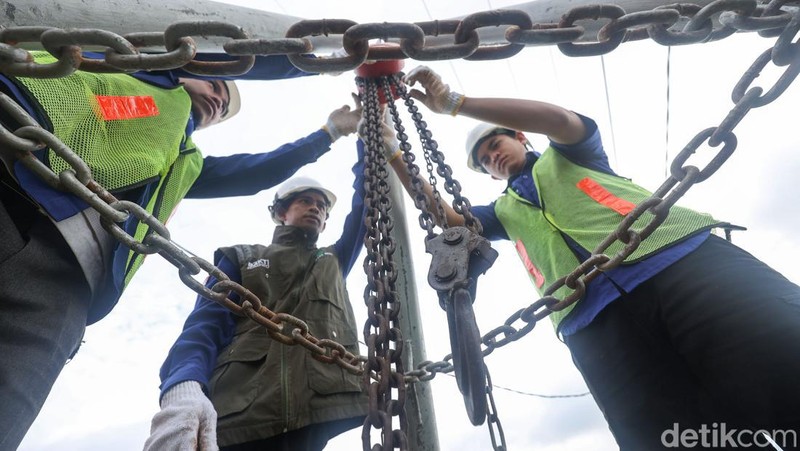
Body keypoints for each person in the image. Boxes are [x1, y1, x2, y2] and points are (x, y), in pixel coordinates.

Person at [378, 65, 800, 450]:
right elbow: (449, 219)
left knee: (780, 361)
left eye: (496, 144)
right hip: (592, 320)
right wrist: (393, 152)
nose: (494, 157)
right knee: (661, 435)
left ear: (520, 137)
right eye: (486, 160)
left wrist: (454, 103)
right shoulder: (502, 212)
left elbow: (559, 120)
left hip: (680, 263)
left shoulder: (572, 154)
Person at [0, 49, 362, 450]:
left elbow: (257, 171)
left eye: (224, 106)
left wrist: (330, 132)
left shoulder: (185, 162)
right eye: (215, 84)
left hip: (68, 281)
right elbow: (233, 53)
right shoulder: (145, 67)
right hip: (11, 176)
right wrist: (334, 56)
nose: (220, 99)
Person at [144, 168, 368, 450]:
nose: (316, 208)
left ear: (324, 224)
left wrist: (369, 147)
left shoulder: (333, 260)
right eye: (305, 201)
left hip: (314, 408)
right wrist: (184, 383)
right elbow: (205, 325)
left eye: (322, 206)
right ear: (281, 212)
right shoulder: (241, 258)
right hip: (238, 414)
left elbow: (366, 202)